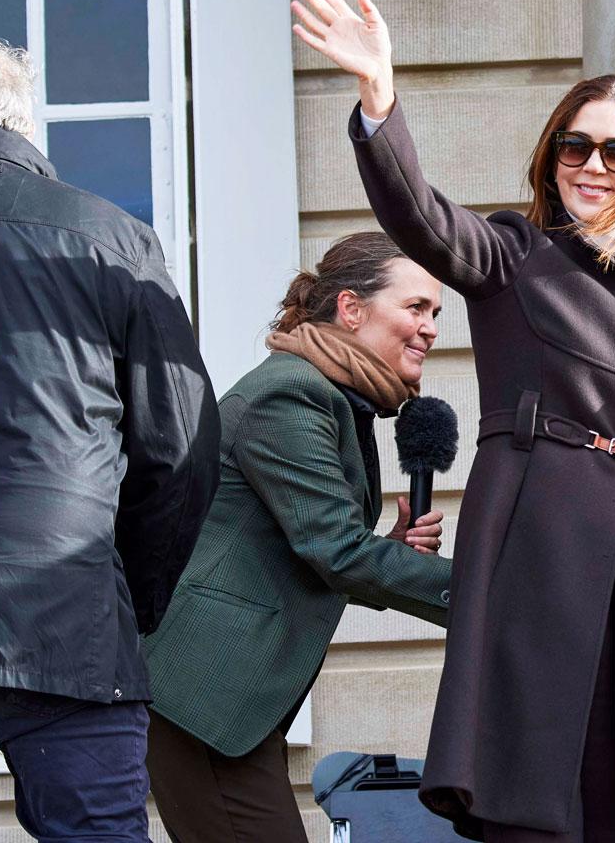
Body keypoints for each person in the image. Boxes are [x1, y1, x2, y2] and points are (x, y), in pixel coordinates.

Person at [293, 0, 615, 843]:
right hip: (540, 534)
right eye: (574, 145)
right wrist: (379, 97)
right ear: (551, 154)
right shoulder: (515, 252)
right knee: (539, 782)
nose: (592, 166)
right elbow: (422, 217)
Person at [0, 34, 220, 840]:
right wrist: (127, 597)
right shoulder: (109, 237)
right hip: (63, 602)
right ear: (25, 126)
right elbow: (180, 447)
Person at [143, 232, 455, 842]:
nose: (430, 328)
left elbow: (309, 547)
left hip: (230, 703)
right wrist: (487, 596)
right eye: (415, 308)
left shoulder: (332, 396)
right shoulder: (293, 393)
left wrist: (385, 550)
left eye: (435, 313)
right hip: (203, 696)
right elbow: (336, 552)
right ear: (351, 308)